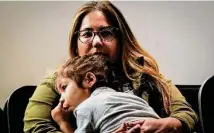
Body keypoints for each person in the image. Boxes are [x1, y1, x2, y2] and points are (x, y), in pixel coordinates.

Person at [24, 1, 198, 133]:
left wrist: (163, 125)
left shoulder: (147, 75)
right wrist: (65, 124)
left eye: (106, 33)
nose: (97, 42)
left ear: (120, 39)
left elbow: (186, 114)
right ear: (76, 42)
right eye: (87, 34)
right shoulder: (60, 80)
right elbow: (34, 125)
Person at [53, 54, 160, 133]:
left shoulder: (85, 108)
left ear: (89, 80)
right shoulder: (131, 98)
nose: (61, 99)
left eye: (64, 87)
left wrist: (63, 123)